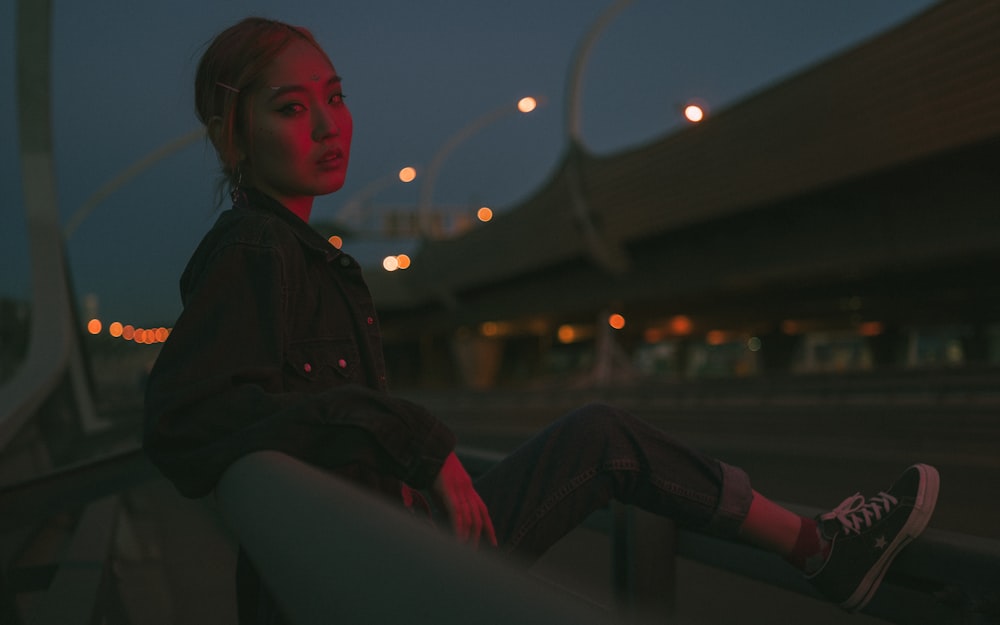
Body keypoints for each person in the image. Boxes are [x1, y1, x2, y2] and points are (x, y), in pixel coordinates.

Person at [143, 17, 940, 624]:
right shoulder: (256, 247)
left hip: (379, 543)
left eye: (336, 97)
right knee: (602, 438)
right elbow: (189, 414)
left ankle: (819, 543)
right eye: (292, 107)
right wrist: (417, 441)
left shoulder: (298, 250)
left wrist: (414, 461)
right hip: (372, 571)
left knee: (598, 434)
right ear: (232, 134)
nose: (328, 125)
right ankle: (822, 547)